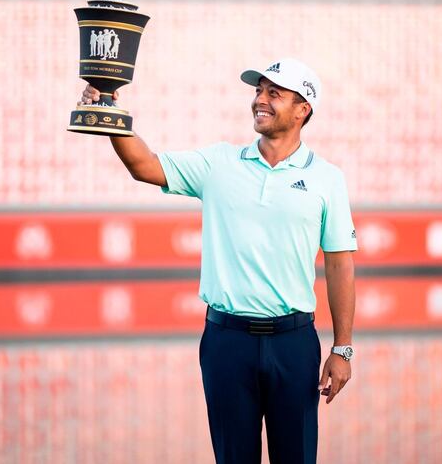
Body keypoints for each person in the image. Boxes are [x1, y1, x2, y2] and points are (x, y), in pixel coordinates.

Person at [82, 57, 357, 464]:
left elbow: (339, 265)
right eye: (258, 91)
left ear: (303, 110)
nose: (259, 100)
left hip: (294, 344)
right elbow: (144, 165)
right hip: (226, 343)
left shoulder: (327, 178)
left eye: (273, 93)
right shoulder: (219, 164)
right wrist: (110, 111)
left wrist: (343, 348)